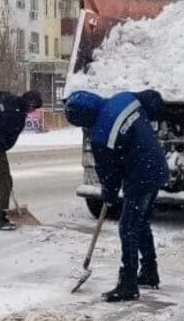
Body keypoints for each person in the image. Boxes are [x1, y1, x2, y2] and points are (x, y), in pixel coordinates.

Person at [65, 89, 170, 302]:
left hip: (140, 176)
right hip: (157, 167)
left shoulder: (101, 135)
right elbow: (151, 99)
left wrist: (109, 194)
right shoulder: (124, 98)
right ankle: (150, 271)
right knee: (141, 223)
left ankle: (128, 283)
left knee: (128, 228)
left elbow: (109, 174)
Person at [0, 88, 44, 230]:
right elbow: (11, 139)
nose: (32, 112)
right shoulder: (18, 117)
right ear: (29, 104)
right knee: (5, 182)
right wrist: (3, 146)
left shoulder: (6, 96)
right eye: (34, 109)